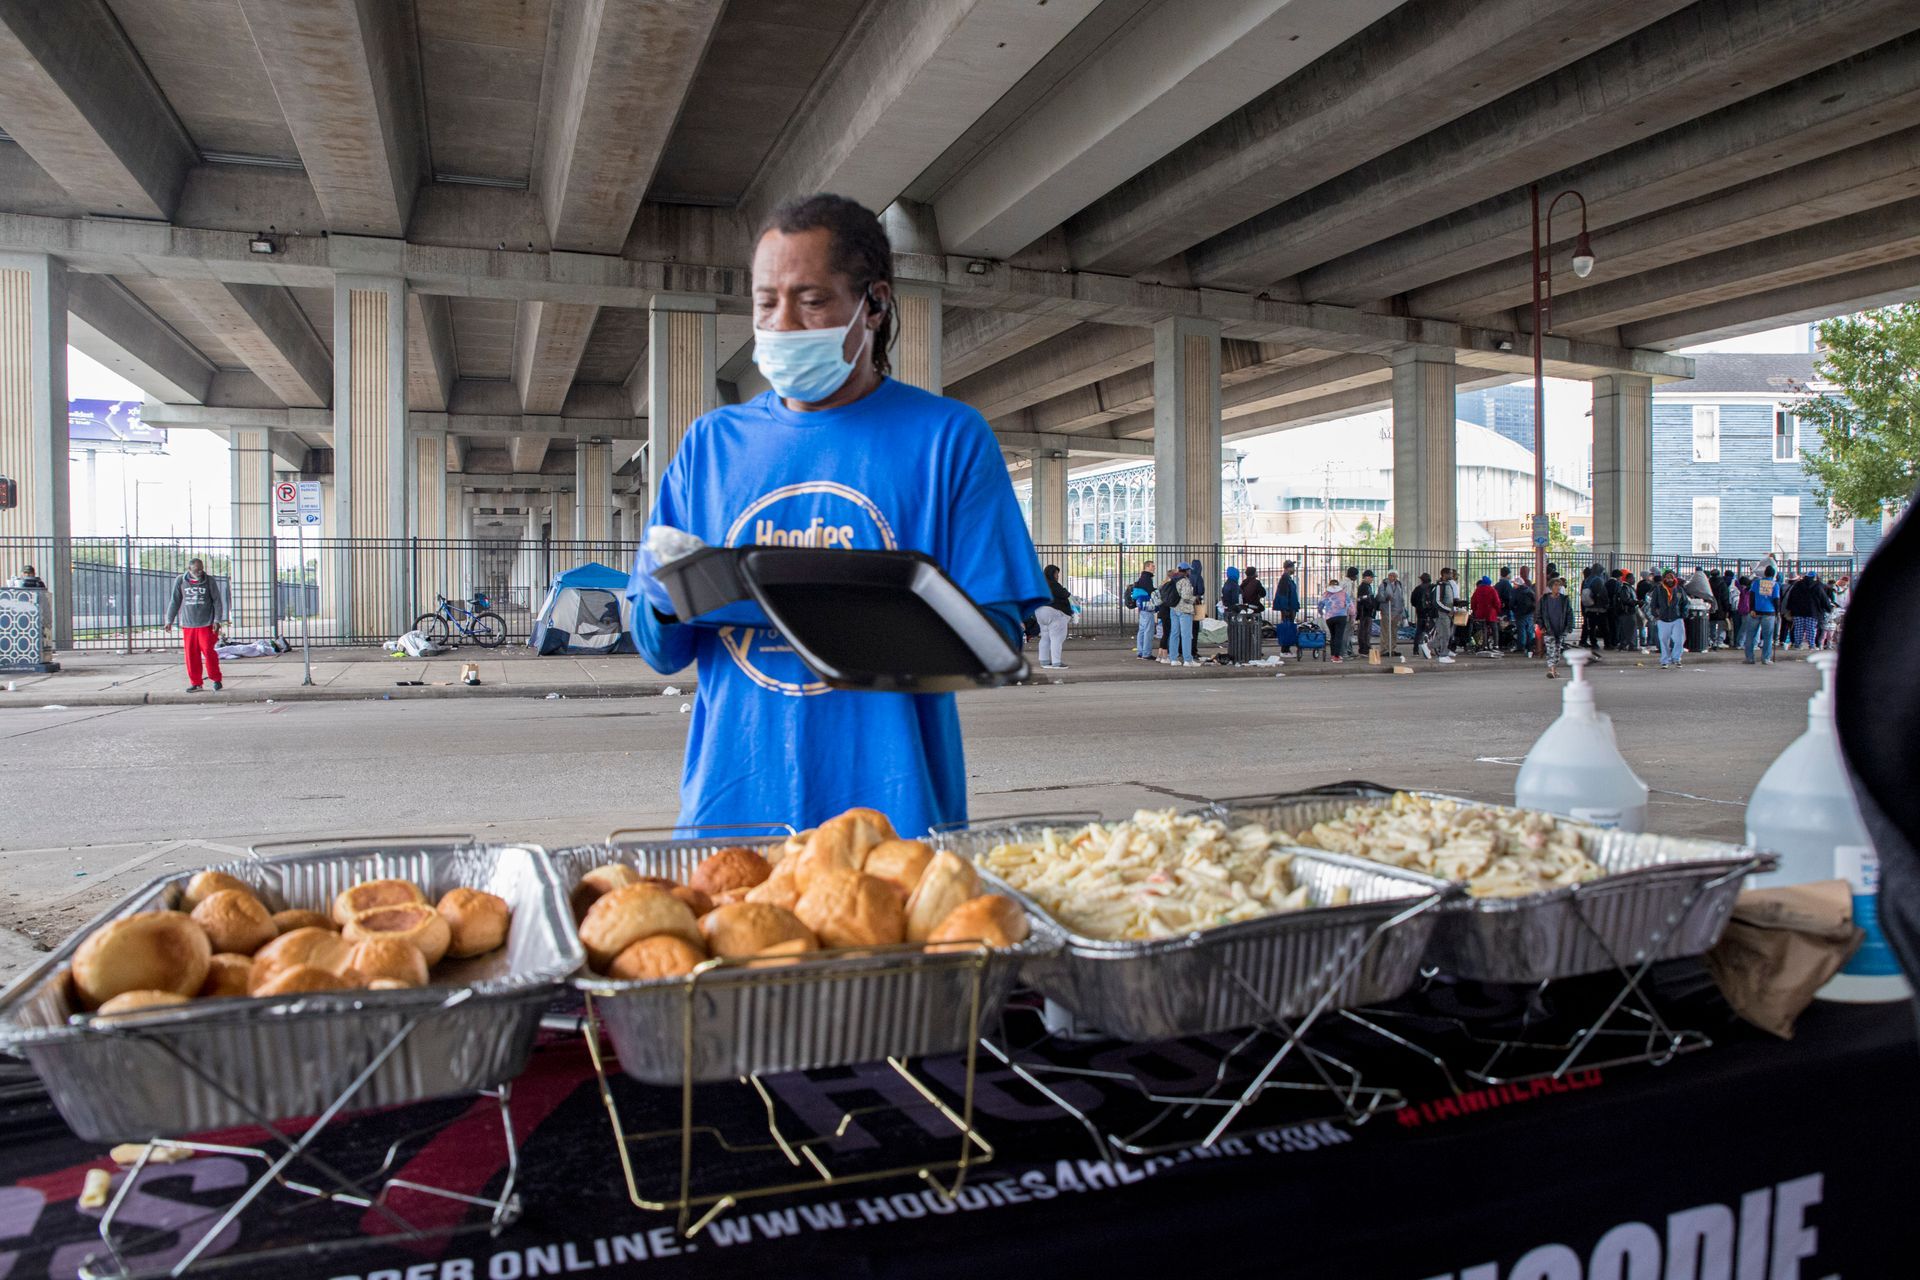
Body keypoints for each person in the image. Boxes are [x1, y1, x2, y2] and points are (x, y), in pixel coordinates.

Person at [626, 193, 1046, 835]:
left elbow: (996, 637)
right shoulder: (709, 445)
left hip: (894, 827)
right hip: (730, 820)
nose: (782, 322)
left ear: (874, 303)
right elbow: (661, 651)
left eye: (811, 299)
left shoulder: (948, 438)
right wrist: (662, 596)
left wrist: (825, 606)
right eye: (767, 301)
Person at [165, 558, 226, 693]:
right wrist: (169, 620)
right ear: (189, 569)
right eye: (196, 570)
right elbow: (175, 601)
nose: (200, 572)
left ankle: (216, 679)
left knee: (209, 652)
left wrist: (217, 620)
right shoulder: (181, 581)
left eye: (201, 569)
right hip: (188, 624)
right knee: (191, 655)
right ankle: (196, 683)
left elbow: (217, 601)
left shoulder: (209, 581)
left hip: (207, 624)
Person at [1035, 564, 1073, 670]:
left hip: (1039, 612)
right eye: (1056, 573)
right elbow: (1066, 595)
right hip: (1054, 613)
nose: (1057, 576)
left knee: (1045, 637)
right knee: (1057, 638)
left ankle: (1044, 661)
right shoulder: (1053, 584)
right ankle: (1057, 663)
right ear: (1051, 574)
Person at [1652, 569, 1688, 669]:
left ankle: (1676, 658)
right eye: (1667, 577)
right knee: (1663, 640)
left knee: (1679, 639)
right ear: (1664, 578)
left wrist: (1683, 614)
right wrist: (1655, 614)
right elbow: (1653, 603)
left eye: (1671, 577)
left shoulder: (1679, 589)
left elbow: (1685, 603)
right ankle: (1665, 660)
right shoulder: (1658, 589)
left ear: (1674, 578)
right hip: (1663, 618)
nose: (1669, 579)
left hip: (1676, 617)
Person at [1539, 577, 1575, 678]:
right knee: (1550, 649)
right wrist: (1541, 626)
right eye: (1555, 585)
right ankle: (1551, 670)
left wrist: (1569, 627)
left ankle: (1554, 669)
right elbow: (1539, 614)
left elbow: (1569, 613)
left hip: (1560, 629)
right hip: (1548, 628)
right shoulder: (1544, 600)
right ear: (1551, 587)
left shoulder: (1564, 600)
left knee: (1557, 649)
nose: (1558, 587)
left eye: (1559, 585)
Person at [1746, 564, 1780, 664]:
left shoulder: (1756, 583)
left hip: (1755, 611)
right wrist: (1777, 612)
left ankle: (1750, 658)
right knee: (1768, 637)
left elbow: (1751, 596)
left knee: (1750, 635)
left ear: (1765, 573)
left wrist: (1751, 609)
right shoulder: (1774, 584)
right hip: (1769, 613)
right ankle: (1765, 658)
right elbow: (1776, 599)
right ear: (1774, 575)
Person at [1164, 565, 1197, 666]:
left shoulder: (1173, 580)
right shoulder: (1185, 581)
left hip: (1173, 609)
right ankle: (1188, 660)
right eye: (1189, 570)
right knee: (1186, 635)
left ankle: (1173, 658)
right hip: (1184, 610)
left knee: (1174, 633)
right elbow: (1186, 597)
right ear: (1186, 571)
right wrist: (1194, 598)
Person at [1785, 570, 1822, 650]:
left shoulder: (1797, 584)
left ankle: (1797, 645)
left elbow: (1791, 597)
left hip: (1798, 611)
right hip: (1812, 611)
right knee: (1811, 629)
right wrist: (1826, 608)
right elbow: (1822, 598)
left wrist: (1790, 608)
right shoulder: (1817, 586)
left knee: (1798, 628)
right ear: (1814, 577)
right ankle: (1811, 645)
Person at [1318, 577, 1351, 664]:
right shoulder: (1344, 594)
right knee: (1339, 636)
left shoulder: (1325, 594)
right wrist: (1351, 615)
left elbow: (1320, 605)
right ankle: (1337, 656)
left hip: (1330, 617)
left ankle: (1333, 655)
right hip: (1341, 616)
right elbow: (1350, 605)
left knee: (1333, 636)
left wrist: (1321, 612)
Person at [1130, 563, 1157, 660]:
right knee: (1148, 630)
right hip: (1147, 607)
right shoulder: (1147, 578)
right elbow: (1151, 591)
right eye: (1152, 566)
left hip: (1141, 607)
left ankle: (1140, 652)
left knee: (1142, 630)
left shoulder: (1142, 578)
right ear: (1147, 567)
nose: (1154, 568)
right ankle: (1146, 653)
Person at [1470, 575, 1502, 653]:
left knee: (1483, 629)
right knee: (1494, 628)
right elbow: (1497, 602)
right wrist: (1498, 611)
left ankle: (1484, 645)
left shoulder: (1478, 590)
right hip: (1491, 613)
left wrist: (1474, 609)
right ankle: (1495, 645)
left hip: (1481, 613)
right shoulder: (1492, 590)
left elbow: (1473, 601)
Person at [1379, 570, 1406, 659]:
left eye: (1394, 575)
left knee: (1394, 631)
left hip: (1397, 612)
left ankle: (1392, 648)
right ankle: (1384, 649)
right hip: (1387, 610)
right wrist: (1386, 598)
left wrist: (1402, 611)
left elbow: (1401, 598)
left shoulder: (1399, 584)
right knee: (1386, 631)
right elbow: (1379, 596)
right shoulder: (1384, 584)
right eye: (1390, 575)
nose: (1392, 577)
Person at [1274, 561, 1300, 652]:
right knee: (1287, 628)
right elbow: (1283, 595)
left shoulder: (1287, 579)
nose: (1294, 569)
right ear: (1288, 568)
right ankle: (1285, 650)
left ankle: (1286, 649)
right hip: (1288, 608)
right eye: (1292, 567)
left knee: (1288, 628)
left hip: (1290, 607)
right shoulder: (1285, 579)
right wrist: (1285, 608)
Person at [1510, 570, 1537, 657]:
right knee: (1529, 630)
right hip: (1529, 613)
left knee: (1521, 630)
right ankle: (1530, 646)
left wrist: (1513, 609)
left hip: (1520, 613)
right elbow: (1534, 601)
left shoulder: (1516, 592)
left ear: (1518, 584)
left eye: (1515, 584)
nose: (1513, 585)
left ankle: (1521, 646)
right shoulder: (1529, 590)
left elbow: (1512, 603)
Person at [1355, 569, 1377, 659]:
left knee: (1367, 631)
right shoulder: (1363, 587)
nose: (1372, 579)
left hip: (1367, 612)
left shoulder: (1368, 586)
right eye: (1371, 577)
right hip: (1364, 612)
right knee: (1363, 631)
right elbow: (1362, 600)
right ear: (1366, 577)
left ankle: (1366, 647)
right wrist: (1370, 606)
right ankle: (1363, 649)